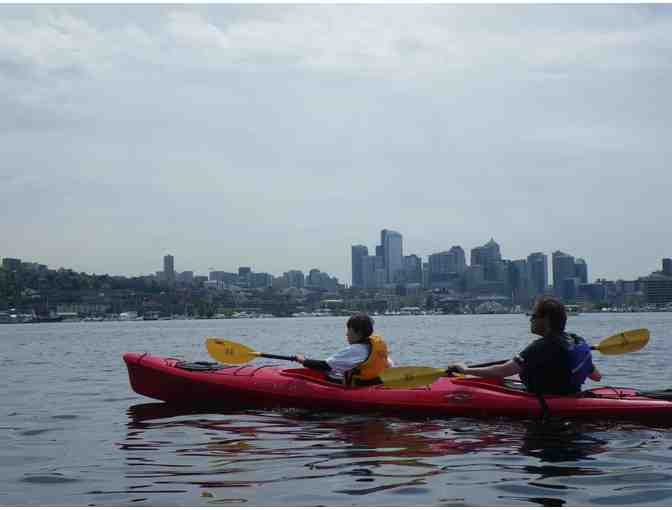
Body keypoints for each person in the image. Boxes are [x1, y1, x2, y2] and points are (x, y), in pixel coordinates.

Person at [448, 297, 601, 395]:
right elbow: (596, 377)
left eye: (533, 316)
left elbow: (504, 370)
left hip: (547, 403)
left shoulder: (541, 347)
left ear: (546, 320)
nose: (530, 320)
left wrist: (465, 369)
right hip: (571, 396)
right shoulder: (576, 341)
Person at [295, 313, 394, 386]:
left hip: (358, 387)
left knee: (325, 375)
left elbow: (325, 365)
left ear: (358, 333)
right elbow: (390, 365)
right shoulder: (375, 347)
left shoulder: (356, 350)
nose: (346, 334)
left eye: (349, 330)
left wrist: (304, 361)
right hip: (376, 383)